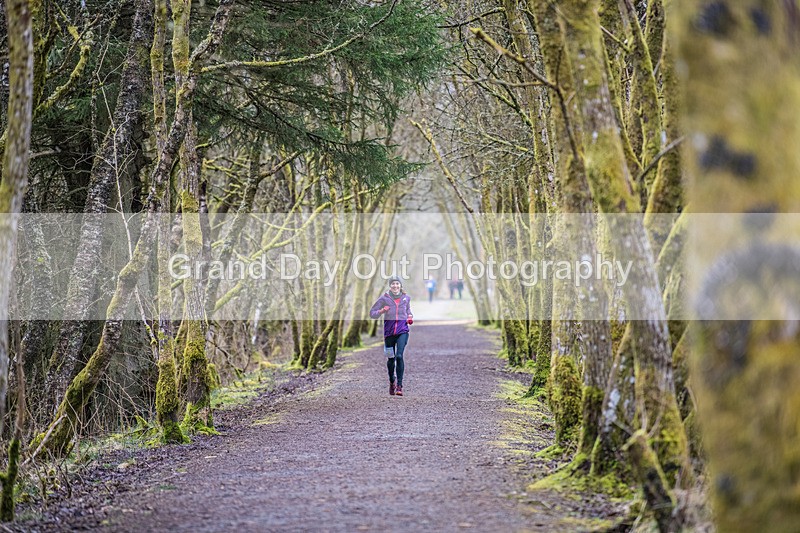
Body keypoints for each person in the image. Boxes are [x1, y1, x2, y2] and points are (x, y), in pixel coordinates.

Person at [370, 276, 413, 396]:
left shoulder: (406, 298)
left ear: (400, 285)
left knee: (399, 356)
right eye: (393, 284)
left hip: (402, 331)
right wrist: (382, 311)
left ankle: (399, 386)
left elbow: (408, 311)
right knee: (391, 359)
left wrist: (409, 316)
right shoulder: (384, 299)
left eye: (397, 284)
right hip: (388, 334)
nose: (395, 286)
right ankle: (391, 381)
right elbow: (372, 313)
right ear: (390, 286)